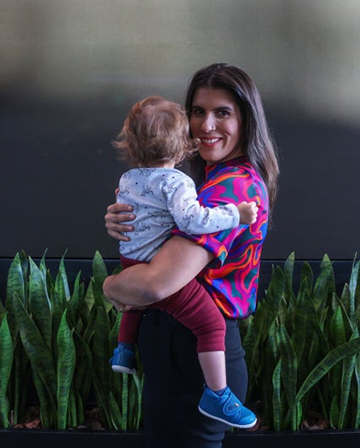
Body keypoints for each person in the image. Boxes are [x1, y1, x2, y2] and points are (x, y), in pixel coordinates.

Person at [103, 63, 279, 448]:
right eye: (198, 112)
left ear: (246, 120)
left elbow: (156, 284)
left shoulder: (231, 187)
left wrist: (112, 284)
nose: (206, 125)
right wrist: (125, 222)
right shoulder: (203, 179)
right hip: (178, 351)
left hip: (197, 353)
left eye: (223, 113)